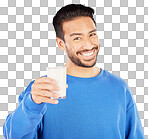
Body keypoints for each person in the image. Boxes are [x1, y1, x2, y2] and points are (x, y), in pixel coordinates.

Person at [3, 4, 145, 139]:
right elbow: (14, 135)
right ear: (60, 43)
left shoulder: (119, 87)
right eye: (77, 38)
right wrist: (32, 104)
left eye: (92, 34)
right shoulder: (43, 90)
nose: (88, 45)